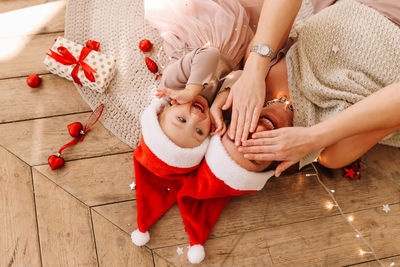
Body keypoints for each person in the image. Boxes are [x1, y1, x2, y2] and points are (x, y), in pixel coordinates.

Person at [233, 0, 400, 176]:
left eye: (237, 136)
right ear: (278, 164)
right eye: (255, 154)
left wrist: (253, 70)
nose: (253, 135)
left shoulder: (259, 76)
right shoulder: (331, 152)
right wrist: (313, 138)